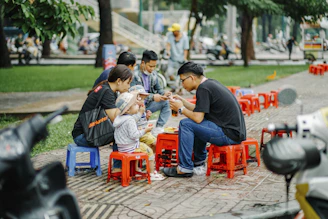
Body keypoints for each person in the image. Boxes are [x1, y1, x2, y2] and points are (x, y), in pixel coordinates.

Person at [163, 62, 246, 177]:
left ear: (191, 78)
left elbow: (197, 118)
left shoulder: (203, 89)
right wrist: (183, 102)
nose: (182, 84)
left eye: (182, 80)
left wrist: (180, 109)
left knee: (186, 124)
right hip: (233, 132)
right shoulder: (209, 84)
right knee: (197, 123)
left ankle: (184, 168)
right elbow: (199, 111)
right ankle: (199, 164)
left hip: (228, 134)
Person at [72, 64, 134, 146]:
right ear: (119, 81)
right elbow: (116, 119)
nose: (128, 87)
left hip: (87, 132)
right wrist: (131, 98)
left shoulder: (107, 88)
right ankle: (120, 159)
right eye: (128, 83)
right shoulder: (107, 92)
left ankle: (121, 158)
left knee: (124, 129)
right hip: (83, 136)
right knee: (122, 131)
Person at [113, 92, 165, 180]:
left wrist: (140, 113)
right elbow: (135, 135)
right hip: (131, 147)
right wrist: (145, 130)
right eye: (135, 105)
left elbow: (134, 119)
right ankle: (151, 174)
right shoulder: (130, 120)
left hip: (121, 147)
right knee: (149, 151)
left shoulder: (120, 118)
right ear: (128, 110)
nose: (138, 105)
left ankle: (137, 170)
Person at [131, 50, 171, 136]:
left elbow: (159, 88)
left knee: (167, 102)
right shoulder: (135, 75)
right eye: (150, 66)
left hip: (147, 105)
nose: (152, 69)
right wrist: (153, 97)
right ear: (143, 63)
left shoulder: (153, 74)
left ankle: (158, 128)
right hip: (136, 107)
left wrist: (165, 94)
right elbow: (135, 94)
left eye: (154, 66)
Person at [129, 85, 157, 151]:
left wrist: (146, 117)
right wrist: (140, 113)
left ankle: (151, 157)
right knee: (154, 142)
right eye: (140, 99)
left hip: (144, 132)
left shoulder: (141, 108)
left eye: (144, 99)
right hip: (136, 135)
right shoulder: (131, 109)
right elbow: (131, 121)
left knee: (156, 143)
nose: (142, 101)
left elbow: (142, 121)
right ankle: (148, 158)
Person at [166, 23, 189, 92]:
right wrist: (168, 51)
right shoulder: (170, 36)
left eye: (174, 31)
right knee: (169, 73)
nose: (172, 32)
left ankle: (180, 89)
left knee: (181, 76)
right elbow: (168, 44)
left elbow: (185, 49)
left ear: (177, 31)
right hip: (172, 59)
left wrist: (184, 58)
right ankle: (175, 85)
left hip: (180, 59)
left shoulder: (185, 38)